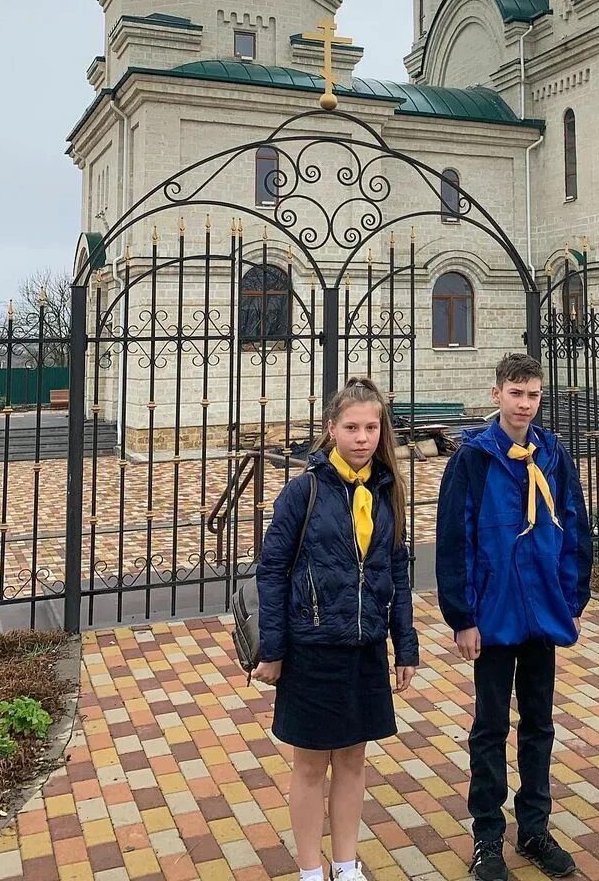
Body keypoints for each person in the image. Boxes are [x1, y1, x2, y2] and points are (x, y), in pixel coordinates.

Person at [254, 377, 419, 881]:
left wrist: (404, 646)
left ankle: (346, 864)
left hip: (365, 647)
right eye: (351, 427)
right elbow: (272, 570)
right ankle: (309, 869)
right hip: (313, 648)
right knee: (309, 765)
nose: (363, 437)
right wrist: (275, 648)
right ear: (331, 430)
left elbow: (398, 570)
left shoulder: (388, 493)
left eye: (372, 427)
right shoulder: (303, 492)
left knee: (351, 761)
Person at [436, 353, 592, 881]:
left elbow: (574, 526)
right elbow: (455, 539)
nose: (525, 404)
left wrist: (570, 598)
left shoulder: (553, 453)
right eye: (516, 393)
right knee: (490, 725)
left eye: (533, 395)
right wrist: (462, 615)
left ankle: (533, 828)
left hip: (543, 612)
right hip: (495, 614)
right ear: (498, 392)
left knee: (540, 723)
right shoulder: (474, 459)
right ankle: (487, 836)